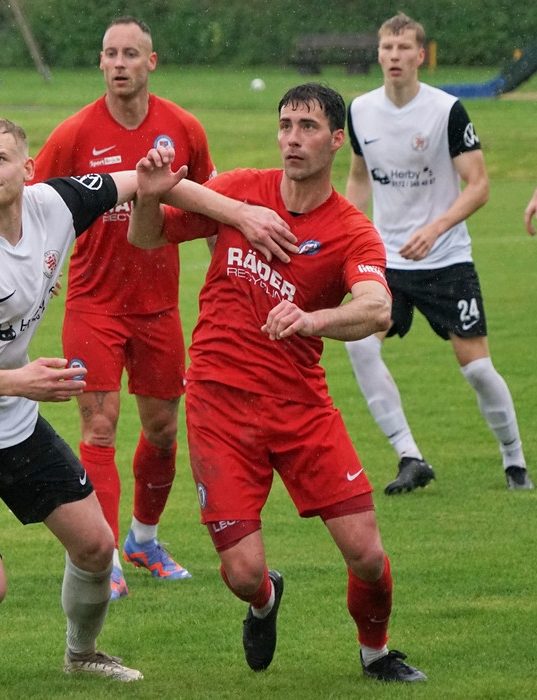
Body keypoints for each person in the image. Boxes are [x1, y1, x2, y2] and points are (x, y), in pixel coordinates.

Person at [0, 117, 289, 681]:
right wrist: (21, 382)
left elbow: (149, 182)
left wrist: (241, 215)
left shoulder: (57, 204)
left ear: (28, 169)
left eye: (0, 159)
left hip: (10, 418)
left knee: (96, 547)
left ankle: (82, 656)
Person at [128, 83, 427, 683]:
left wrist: (313, 320)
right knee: (243, 576)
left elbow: (377, 308)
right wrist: (148, 193)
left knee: (367, 555)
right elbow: (147, 234)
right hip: (217, 405)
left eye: (308, 127)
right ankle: (265, 600)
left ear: (337, 140)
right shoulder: (240, 189)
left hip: (301, 407)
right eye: (285, 125)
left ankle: (376, 653)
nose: (293, 138)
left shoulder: (351, 230)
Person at [32, 16, 212, 598]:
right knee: (100, 426)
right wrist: (37, 273)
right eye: (110, 54)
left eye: (130, 54)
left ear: (150, 62)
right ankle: (103, 558)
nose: (118, 64)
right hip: (94, 306)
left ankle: (143, 541)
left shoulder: (183, 129)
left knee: (162, 431)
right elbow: (34, 206)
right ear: (100, 62)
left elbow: (211, 208)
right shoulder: (74, 134)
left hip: (158, 308)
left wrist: (229, 283)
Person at [344, 13, 531, 493]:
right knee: (359, 343)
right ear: (378, 54)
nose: (394, 56)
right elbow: (359, 178)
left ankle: (514, 460)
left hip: (446, 259)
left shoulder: (447, 110)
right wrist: (347, 234)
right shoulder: (360, 110)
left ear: (420, 55)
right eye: (387, 48)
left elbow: (479, 184)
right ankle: (410, 455)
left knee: (478, 369)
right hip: (388, 260)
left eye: (404, 48)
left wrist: (435, 228)